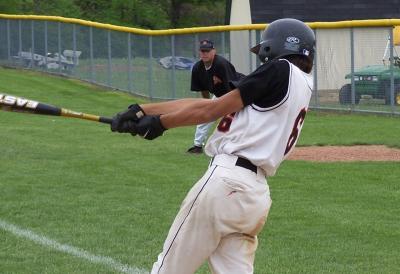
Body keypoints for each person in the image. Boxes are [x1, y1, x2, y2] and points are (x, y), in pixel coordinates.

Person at [111, 18, 315, 274]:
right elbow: (208, 105)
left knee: (168, 270)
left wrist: (160, 124)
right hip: (254, 195)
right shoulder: (299, 82)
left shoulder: (279, 69)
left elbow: (214, 110)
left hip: (226, 182)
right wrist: (143, 110)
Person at [187, 38, 244, 154]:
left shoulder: (221, 64)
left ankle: (239, 145)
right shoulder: (197, 68)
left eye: (207, 51)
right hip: (220, 95)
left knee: (235, 120)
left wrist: (229, 107)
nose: (204, 53)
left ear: (214, 51)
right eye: (202, 51)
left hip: (240, 91)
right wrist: (208, 105)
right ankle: (197, 146)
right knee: (204, 115)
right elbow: (203, 89)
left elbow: (232, 87)